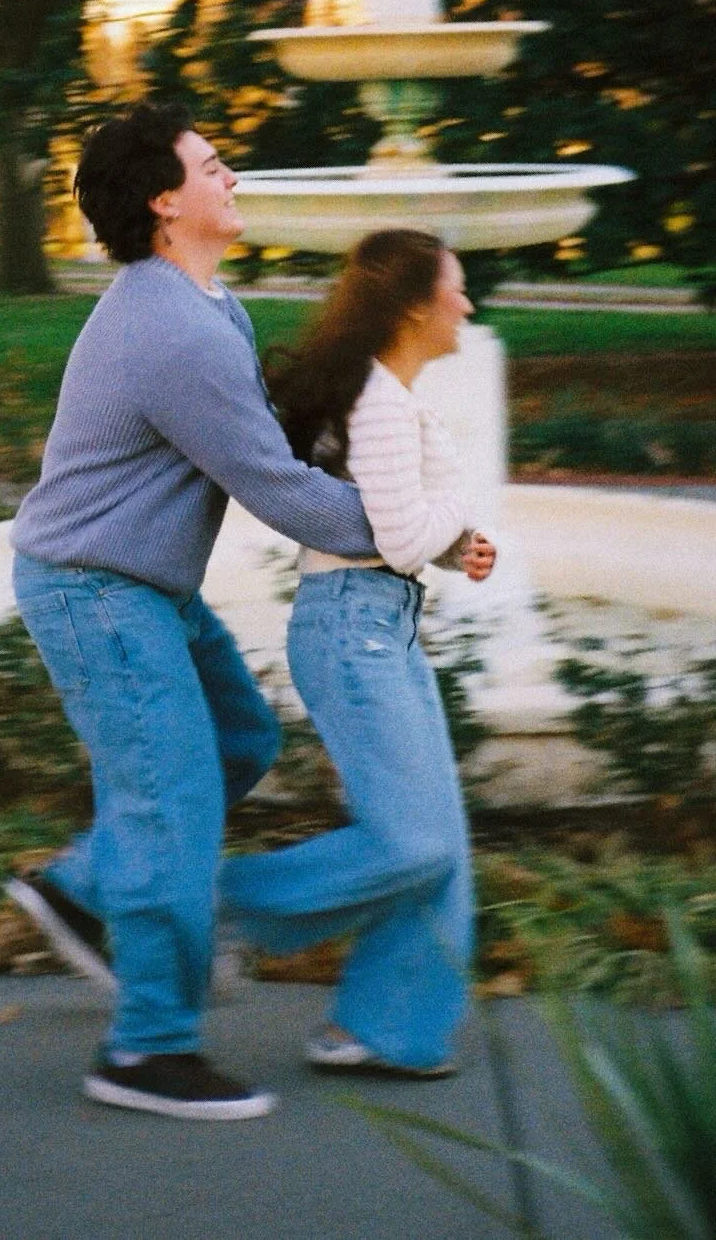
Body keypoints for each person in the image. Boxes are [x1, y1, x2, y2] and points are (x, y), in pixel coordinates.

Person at [6, 100, 379, 1122]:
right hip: (95, 591)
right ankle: (147, 1050)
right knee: (168, 802)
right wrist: (411, 523)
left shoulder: (209, 308)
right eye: (213, 166)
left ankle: (84, 884)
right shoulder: (172, 329)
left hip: (135, 585)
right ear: (166, 200)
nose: (232, 178)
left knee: (236, 737)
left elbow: (266, 442)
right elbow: (277, 489)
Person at [218, 229, 496, 1078]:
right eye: (457, 288)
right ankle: (208, 910)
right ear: (416, 305)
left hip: (383, 623)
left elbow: (400, 534)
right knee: (413, 845)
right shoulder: (379, 400)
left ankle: (383, 1031)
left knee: (440, 849)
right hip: (352, 632)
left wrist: (457, 547)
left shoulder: (392, 396)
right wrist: (450, 520)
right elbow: (402, 531)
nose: (468, 305)